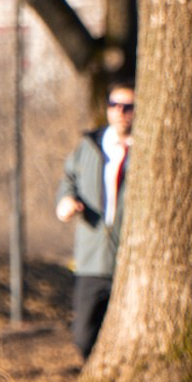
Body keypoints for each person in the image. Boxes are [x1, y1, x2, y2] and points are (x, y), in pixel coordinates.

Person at [56, 80, 134, 360]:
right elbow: (68, 180)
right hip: (92, 259)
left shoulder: (145, 148)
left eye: (128, 107)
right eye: (115, 105)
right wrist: (66, 201)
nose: (121, 112)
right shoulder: (89, 146)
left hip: (131, 261)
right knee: (84, 334)